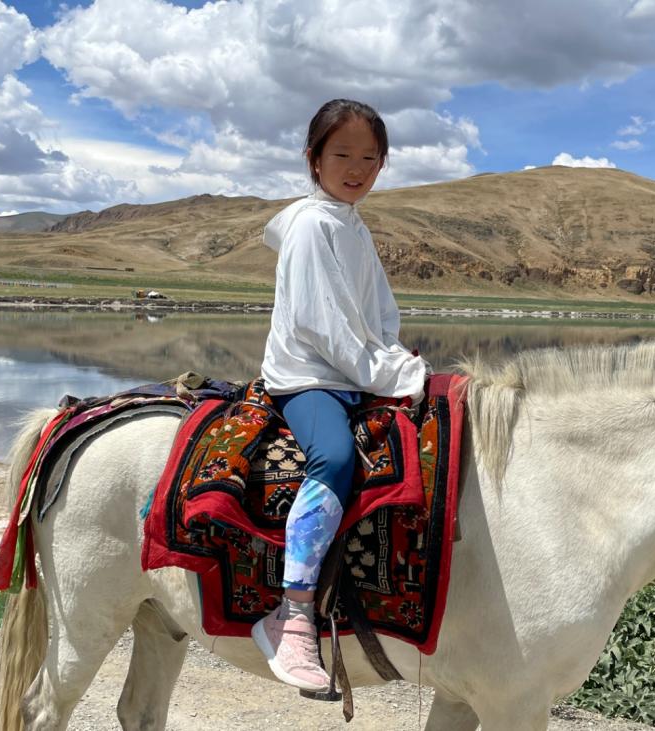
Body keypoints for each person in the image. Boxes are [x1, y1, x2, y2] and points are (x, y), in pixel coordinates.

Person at [252, 99, 427, 692]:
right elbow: (323, 325)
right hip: (309, 376)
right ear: (313, 159)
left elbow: (379, 314)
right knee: (335, 457)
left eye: (369, 158)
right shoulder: (311, 226)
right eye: (342, 155)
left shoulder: (354, 225)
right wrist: (392, 374)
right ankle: (293, 614)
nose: (356, 168)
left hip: (358, 372)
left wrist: (396, 357)